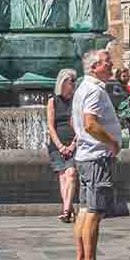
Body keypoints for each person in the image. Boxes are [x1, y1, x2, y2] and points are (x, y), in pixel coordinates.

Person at [72, 48, 125, 260]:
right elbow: (90, 124)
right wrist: (112, 142)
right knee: (94, 212)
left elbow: (79, 125)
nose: (111, 65)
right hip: (96, 157)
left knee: (84, 210)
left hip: (85, 156)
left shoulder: (82, 88)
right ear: (94, 67)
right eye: (106, 62)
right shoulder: (93, 91)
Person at [48, 69, 79, 223]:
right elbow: (51, 126)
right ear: (63, 82)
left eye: (74, 81)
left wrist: (73, 145)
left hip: (74, 143)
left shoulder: (76, 100)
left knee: (71, 173)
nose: (73, 84)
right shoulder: (53, 100)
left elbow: (80, 126)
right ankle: (68, 209)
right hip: (57, 144)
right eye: (71, 81)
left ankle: (66, 210)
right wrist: (60, 146)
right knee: (63, 177)